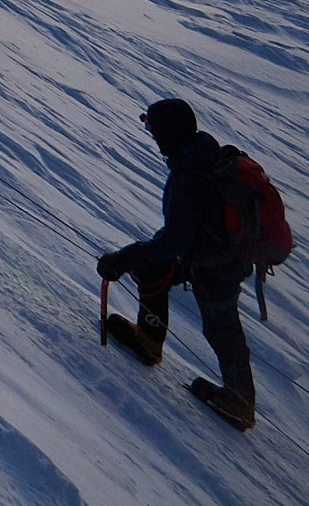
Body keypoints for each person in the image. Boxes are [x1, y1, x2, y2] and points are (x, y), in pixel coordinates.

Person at [98, 98, 256, 428]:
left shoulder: (189, 177)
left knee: (221, 326)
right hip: (214, 255)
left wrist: (123, 259)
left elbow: (173, 241)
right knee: (153, 268)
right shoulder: (202, 155)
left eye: (155, 131)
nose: (153, 138)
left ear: (170, 133)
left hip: (217, 264)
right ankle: (149, 339)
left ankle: (240, 403)